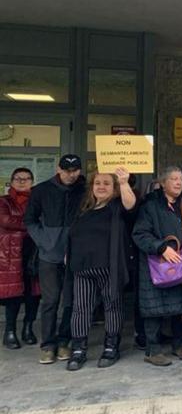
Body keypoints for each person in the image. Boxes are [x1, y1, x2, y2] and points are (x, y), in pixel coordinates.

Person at [132, 166, 182, 366]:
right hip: (157, 265)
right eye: (173, 179)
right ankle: (153, 350)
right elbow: (140, 234)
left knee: (179, 307)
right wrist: (161, 248)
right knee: (153, 309)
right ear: (163, 183)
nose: (178, 182)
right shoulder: (150, 205)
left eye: (181, 179)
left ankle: (179, 344)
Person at [66, 167, 136, 371]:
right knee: (81, 309)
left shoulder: (117, 207)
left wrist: (123, 182)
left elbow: (131, 206)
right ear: (92, 187)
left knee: (112, 306)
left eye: (107, 183)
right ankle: (78, 349)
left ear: (113, 187)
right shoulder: (84, 209)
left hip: (109, 268)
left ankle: (111, 347)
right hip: (82, 267)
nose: (101, 186)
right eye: (98, 183)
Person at [24, 154, 86, 365]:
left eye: (75, 170)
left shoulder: (85, 190)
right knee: (50, 301)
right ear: (58, 169)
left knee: (71, 301)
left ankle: (64, 342)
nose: (71, 174)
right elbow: (30, 220)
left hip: (75, 255)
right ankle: (47, 345)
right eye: (67, 170)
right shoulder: (40, 191)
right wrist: (44, 241)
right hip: (48, 256)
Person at [1, 168, 40, 350]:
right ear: (12, 181)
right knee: (13, 296)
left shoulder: (37, 200)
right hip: (11, 254)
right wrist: (32, 224)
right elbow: (7, 221)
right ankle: (9, 332)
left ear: (32, 181)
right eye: (18, 178)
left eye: (27, 179)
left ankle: (28, 328)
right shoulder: (4, 201)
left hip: (34, 253)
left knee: (34, 294)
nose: (22, 182)